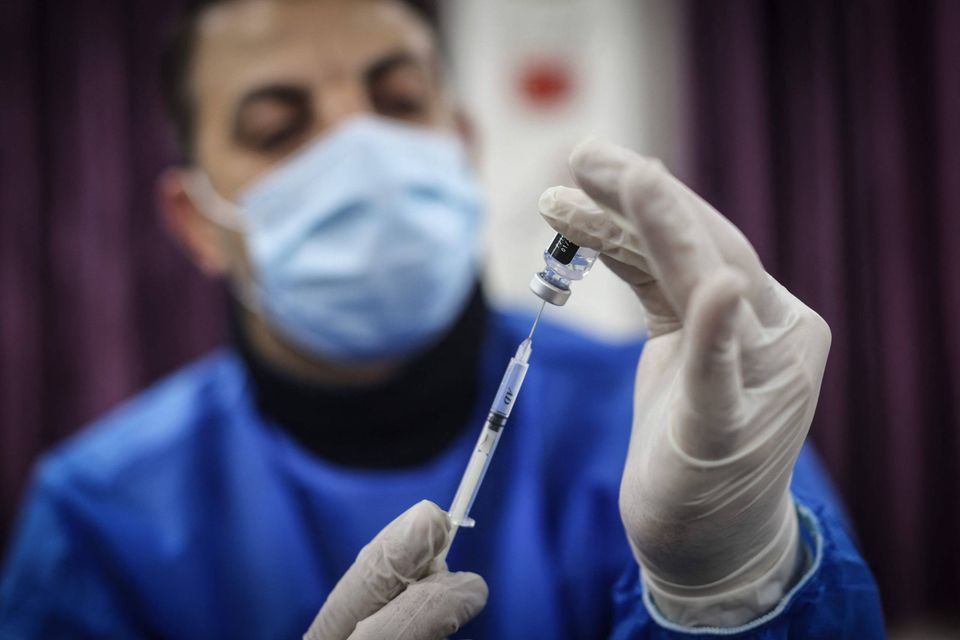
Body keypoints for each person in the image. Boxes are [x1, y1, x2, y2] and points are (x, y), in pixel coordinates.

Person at [0, 0, 884, 638]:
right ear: (196, 221)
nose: (358, 152)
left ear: (463, 144)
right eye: (277, 129)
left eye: (398, 103)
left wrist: (733, 590)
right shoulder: (97, 517)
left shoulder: (678, 416)